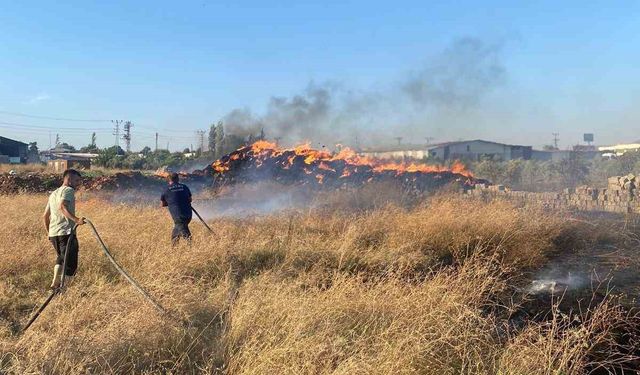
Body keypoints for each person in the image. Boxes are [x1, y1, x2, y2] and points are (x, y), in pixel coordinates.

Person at [43, 169, 85, 289]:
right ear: (68, 179)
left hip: (54, 233)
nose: (78, 183)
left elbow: (45, 215)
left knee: (61, 257)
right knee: (71, 264)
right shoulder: (68, 190)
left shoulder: (54, 193)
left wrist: (49, 233)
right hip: (66, 232)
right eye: (76, 180)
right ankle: (63, 288)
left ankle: (55, 283)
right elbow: (62, 206)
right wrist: (77, 220)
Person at [161, 172, 193, 245]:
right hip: (188, 214)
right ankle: (174, 249)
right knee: (175, 233)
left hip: (178, 216)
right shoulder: (184, 186)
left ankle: (191, 247)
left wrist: (171, 202)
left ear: (168, 180)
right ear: (178, 179)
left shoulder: (166, 189)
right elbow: (190, 199)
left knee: (185, 232)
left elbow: (163, 204)